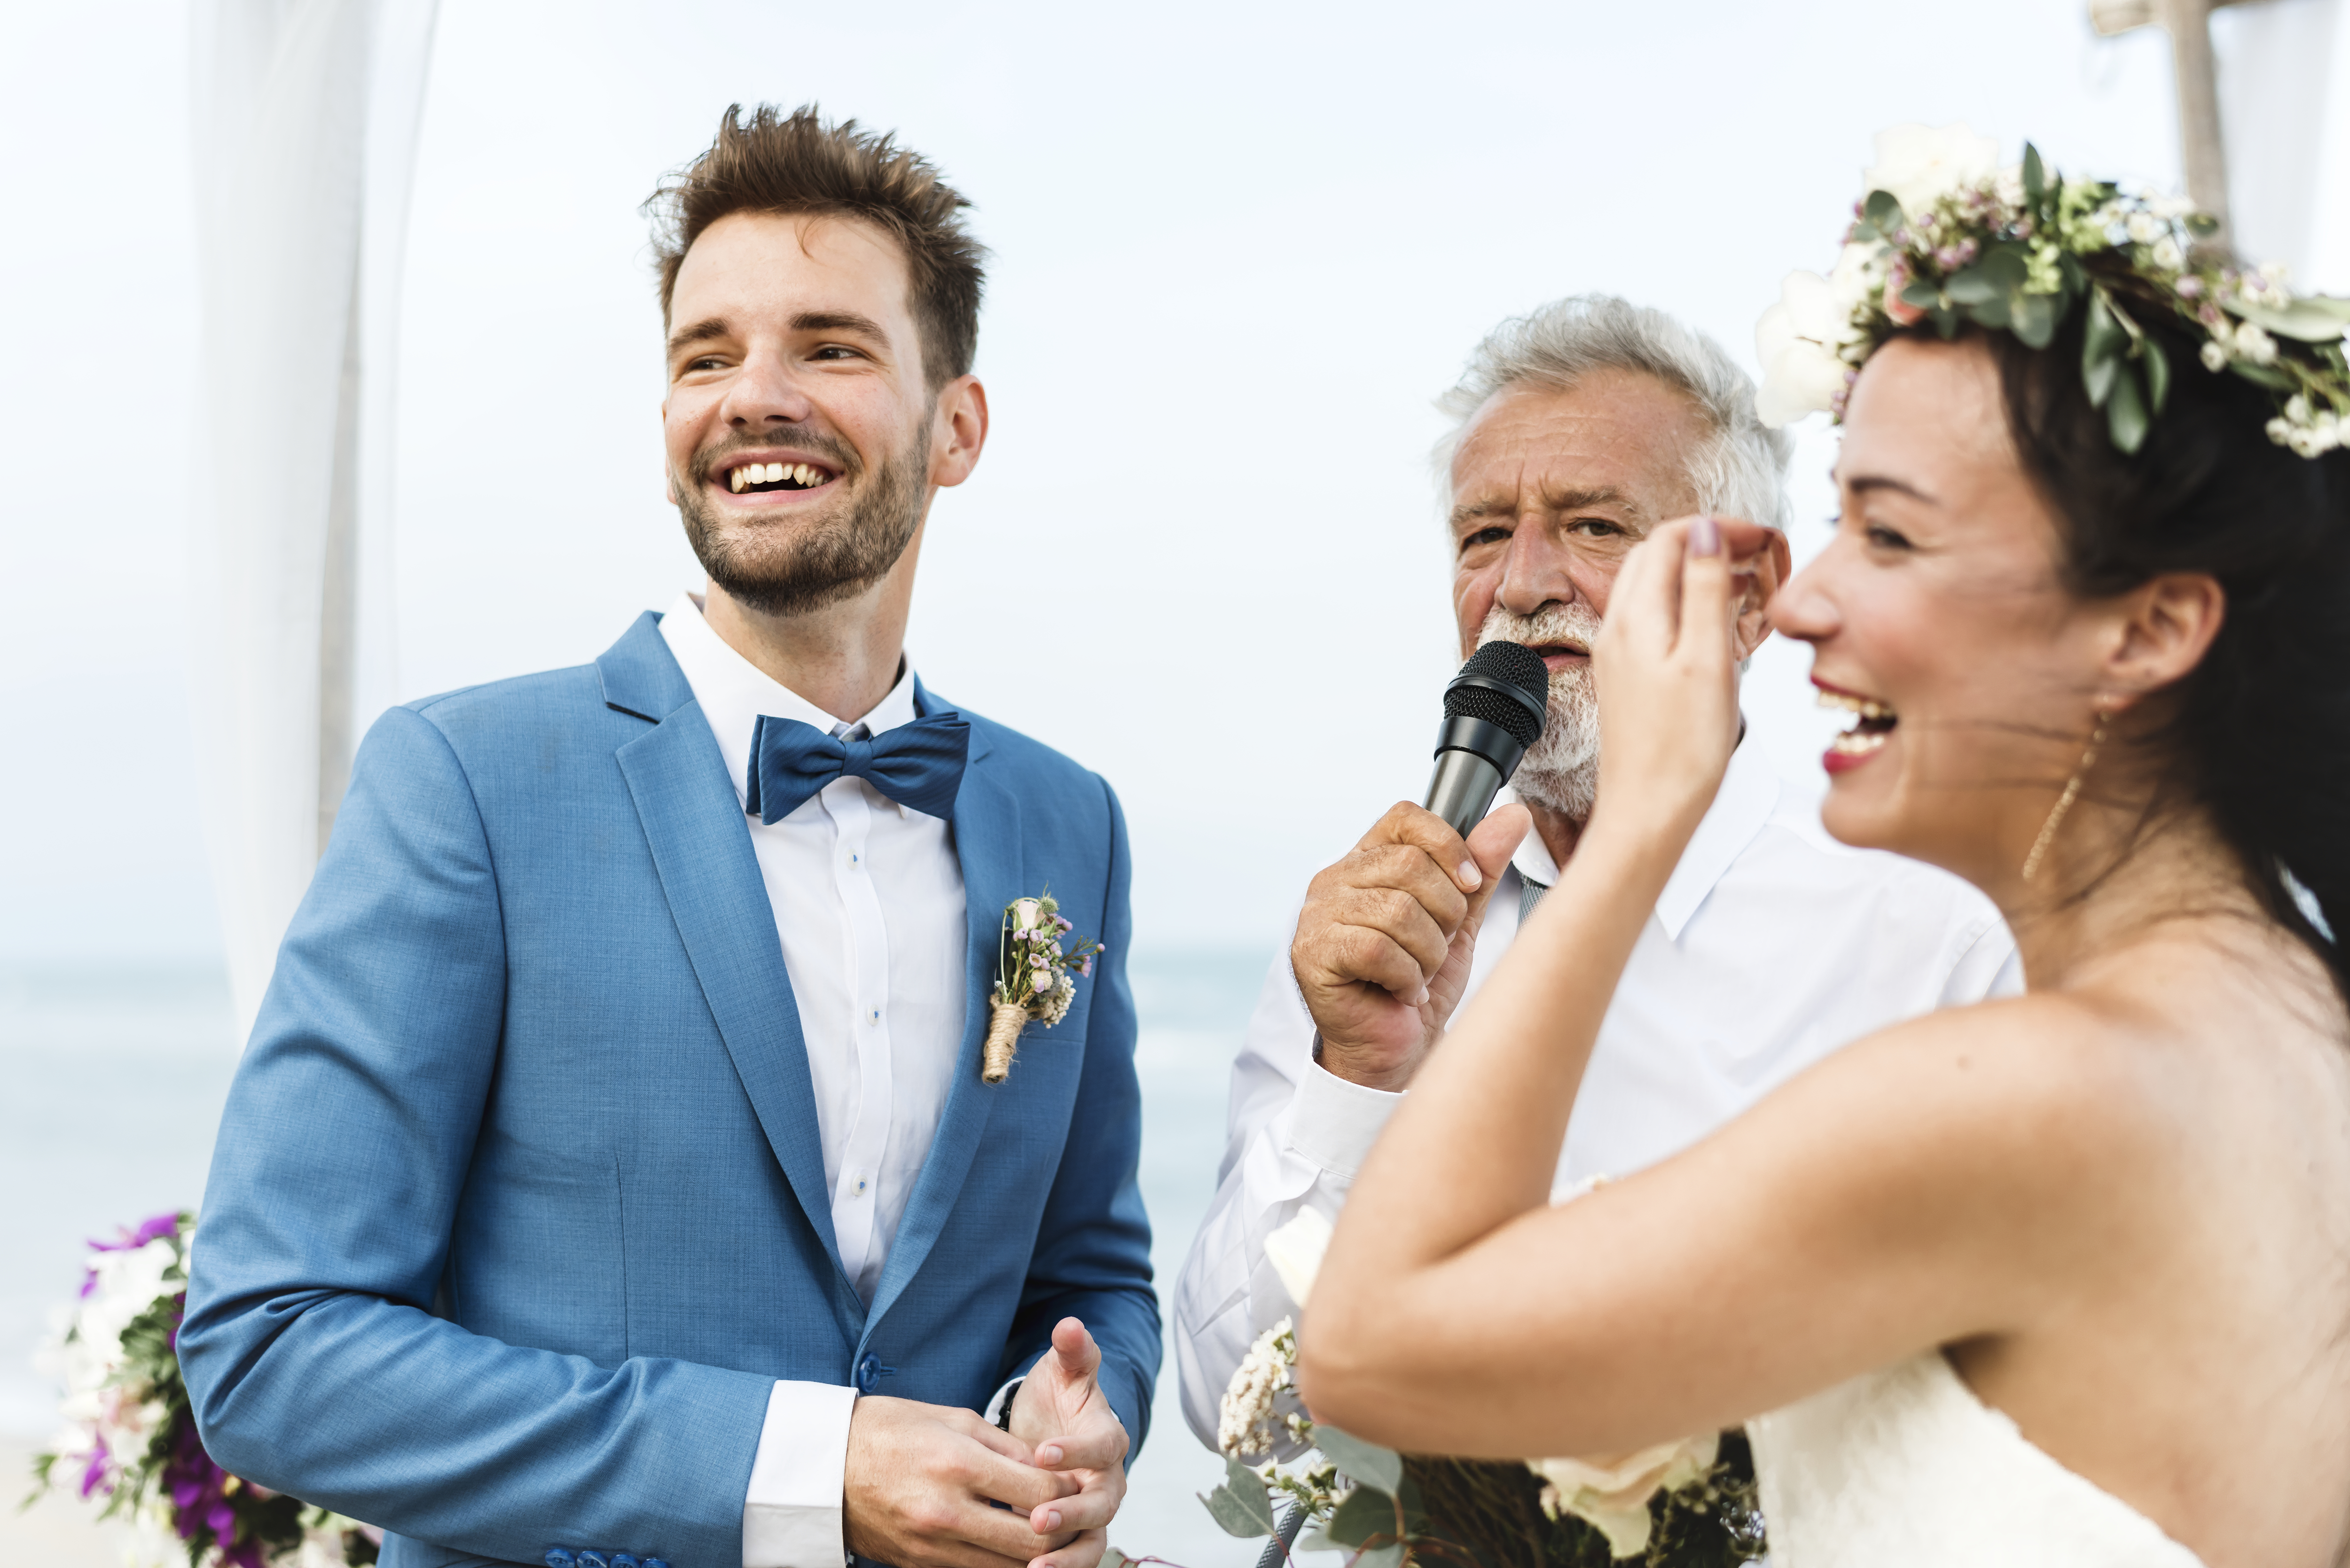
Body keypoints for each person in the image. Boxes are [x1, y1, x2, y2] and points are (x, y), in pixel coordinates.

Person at [1300, 140, 2350, 1566]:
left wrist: (1635, 837)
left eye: (1890, 536)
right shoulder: (2288, 1013)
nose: (1799, 608)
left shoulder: (2037, 1092)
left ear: (2152, 628)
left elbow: (1366, 1343)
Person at [180, 105, 1155, 1568]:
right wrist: (808, 1466)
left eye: (829, 345)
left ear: (958, 426)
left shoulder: (1063, 820)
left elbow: (1093, 1268)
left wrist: (1072, 1417)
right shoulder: (464, 783)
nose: (755, 396)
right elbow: (272, 1346)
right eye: (707, 356)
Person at [1172, 296, 2017, 1448]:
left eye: (1595, 526)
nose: (1520, 583)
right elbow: (1239, 1423)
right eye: (1481, 534)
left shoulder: (1926, 946)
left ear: (1750, 600)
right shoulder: (1371, 936)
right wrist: (1355, 1081)